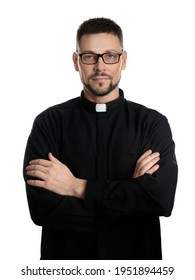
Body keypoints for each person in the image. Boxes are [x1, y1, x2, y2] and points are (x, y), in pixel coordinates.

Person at [23, 17, 178, 260]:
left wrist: (75, 187)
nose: (100, 66)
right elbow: (43, 210)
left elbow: (160, 201)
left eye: (110, 55)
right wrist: (130, 197)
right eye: (89, 56)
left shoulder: (152, 123)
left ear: (123, 60)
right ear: (76, 61)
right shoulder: (49, 123)